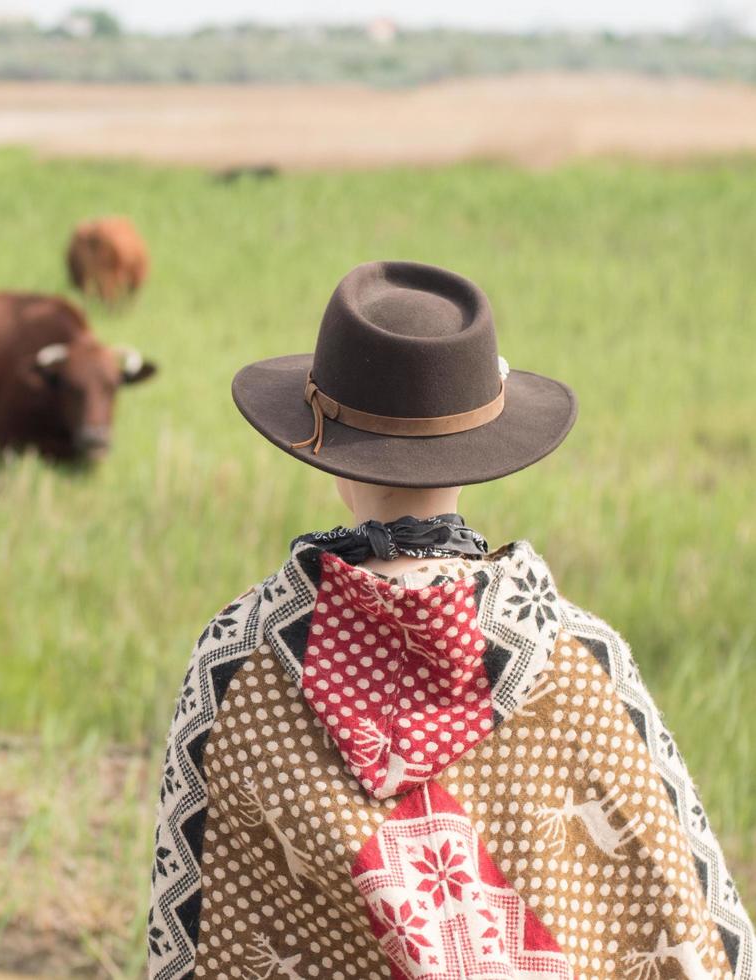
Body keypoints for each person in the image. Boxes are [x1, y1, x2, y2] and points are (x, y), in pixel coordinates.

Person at [147, 261, 755, 980]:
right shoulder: (577, 658)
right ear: (480, 449)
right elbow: (675, 919)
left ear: (325, 454)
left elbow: (204, 932)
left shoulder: (236, 659)